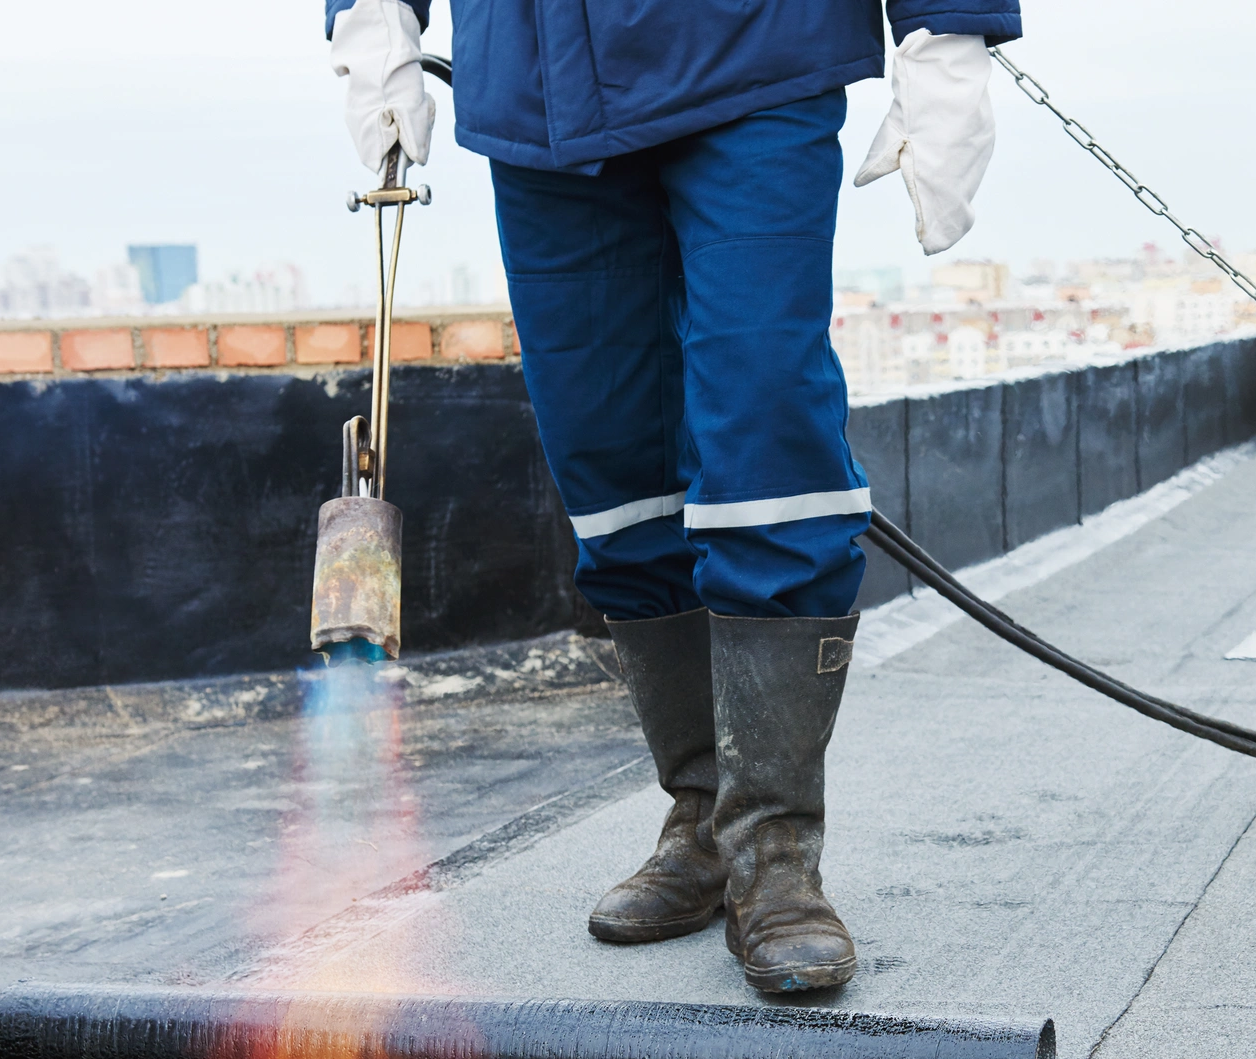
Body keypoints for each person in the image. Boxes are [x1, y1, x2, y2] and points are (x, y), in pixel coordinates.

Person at [326, 0, 1019, 990]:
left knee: (768, 438)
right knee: (611, 468)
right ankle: (702, 818)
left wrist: (946, 38)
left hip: (749, 53)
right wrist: (370, 21)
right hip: (537, 90)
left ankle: (773, 856)